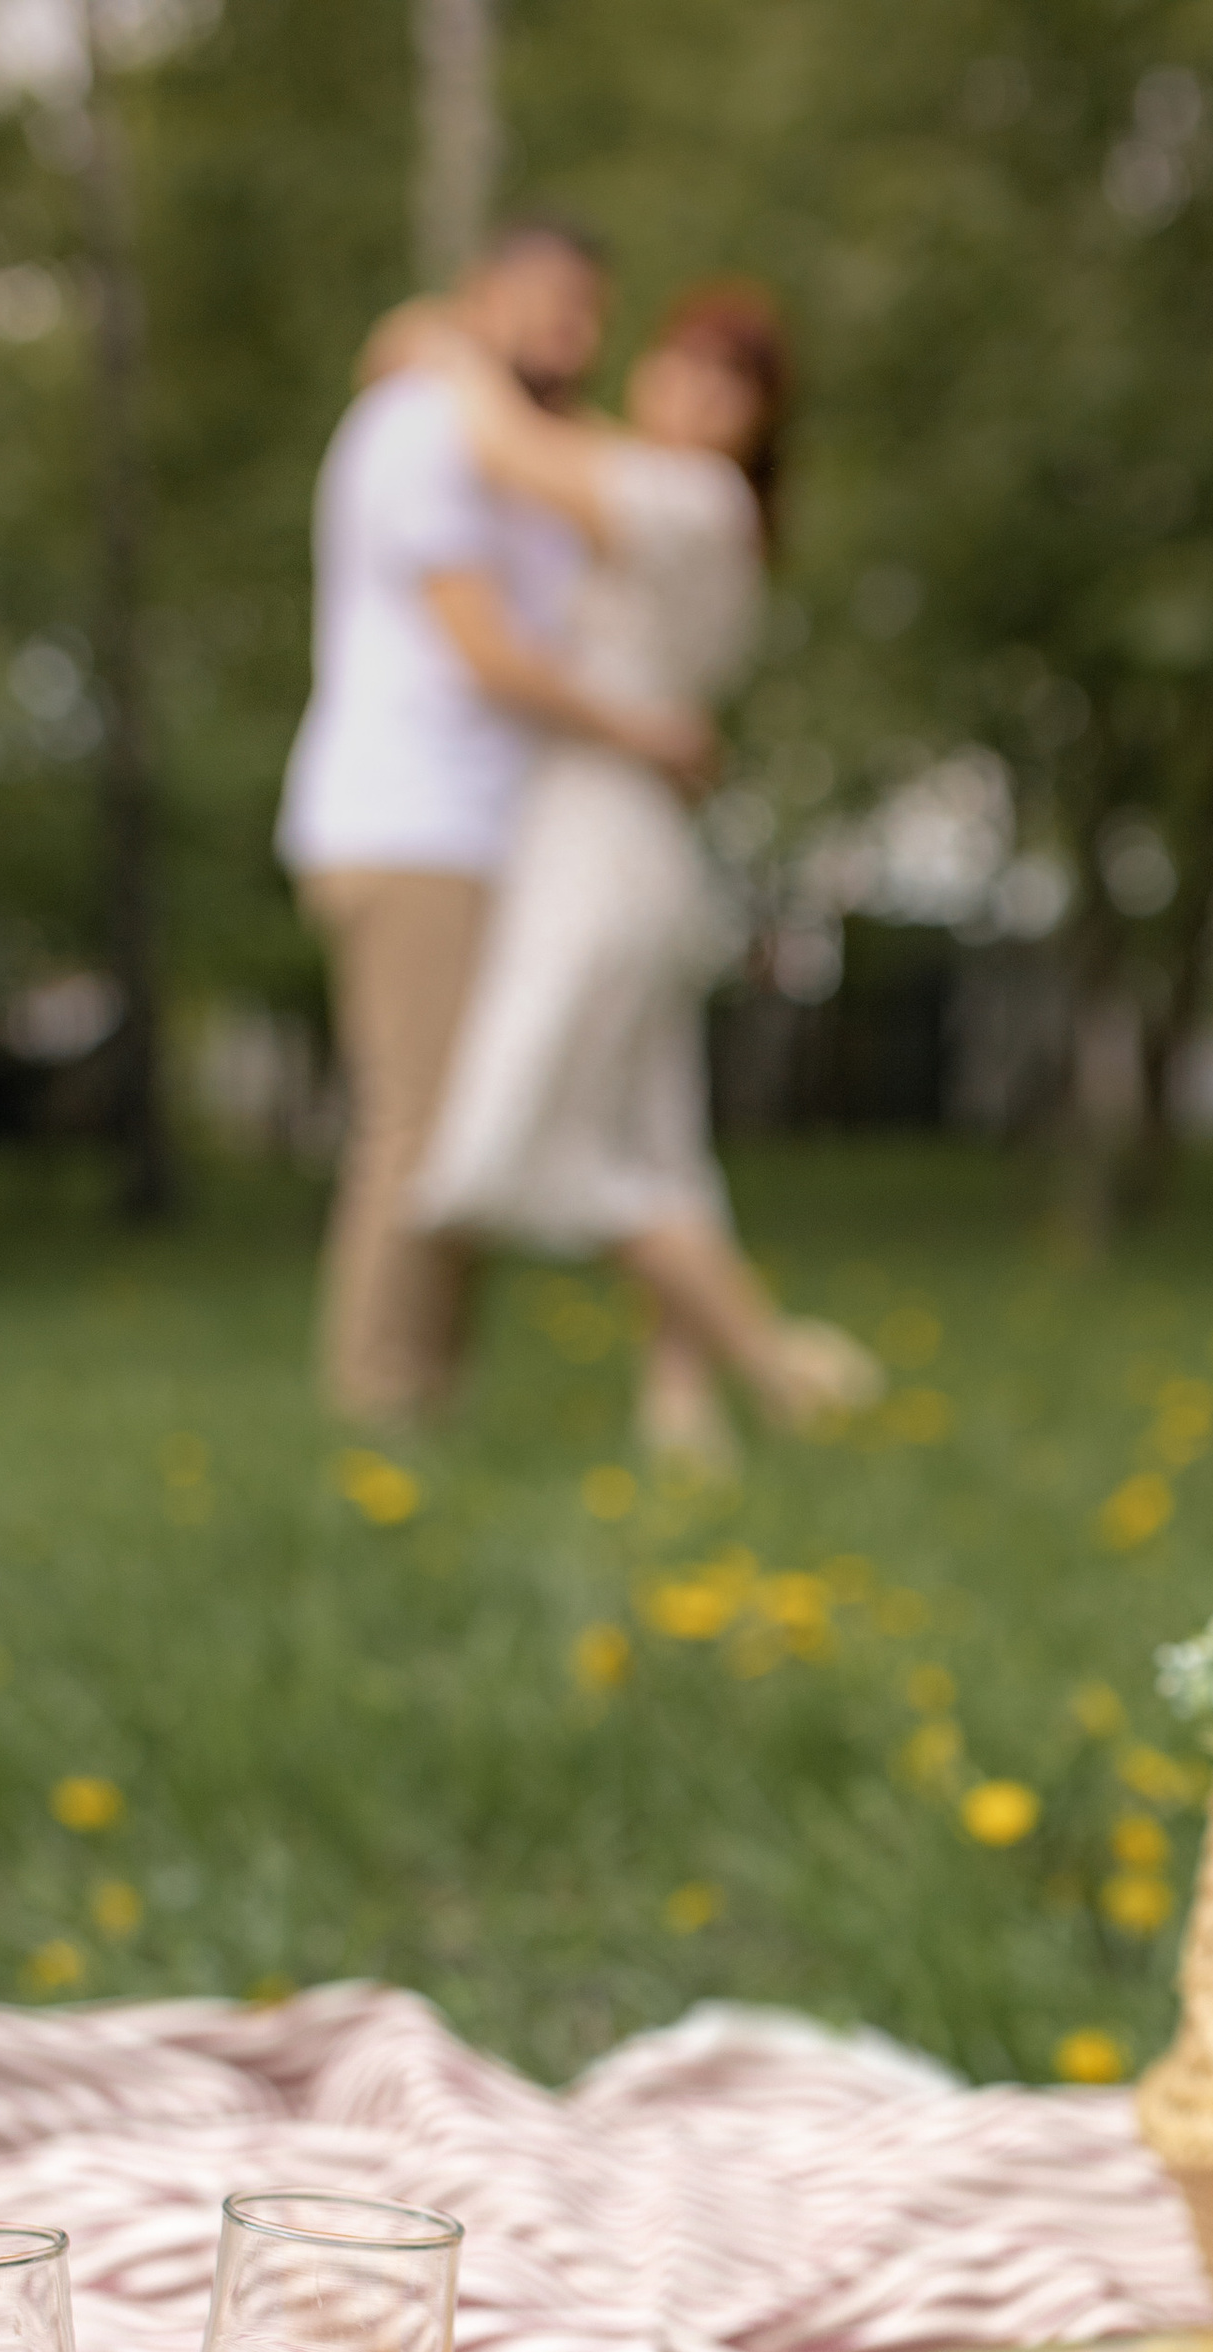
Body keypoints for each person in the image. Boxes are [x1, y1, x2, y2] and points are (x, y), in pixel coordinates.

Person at [372, 281, 879, 1466]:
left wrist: (448, 350)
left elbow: (512, 453)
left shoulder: (685, 498)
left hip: (598, 856)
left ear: (761, 425)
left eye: (733, 383)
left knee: (499, 1157)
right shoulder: (677, 497)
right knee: (657, 1149)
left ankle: (782, 1369)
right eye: (683, 364)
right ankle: (688, 1423)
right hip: (632, 846)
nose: (697, 394)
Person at [278, 219, 713, 1425]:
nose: (569, 331)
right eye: (543, 302)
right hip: (411, 825)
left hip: (482, 832)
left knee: (464, 1131)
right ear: (483, 299)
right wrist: (648, 737)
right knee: (417, 1128)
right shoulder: (418, 429)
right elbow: (481, 653)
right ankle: (382, 1409)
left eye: (589, 310)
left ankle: (426, 1401)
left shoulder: (506, 433)